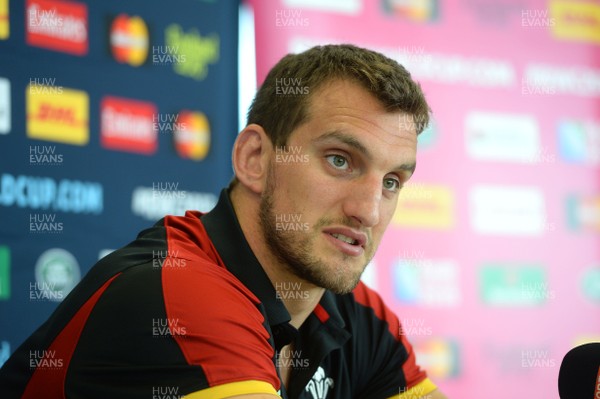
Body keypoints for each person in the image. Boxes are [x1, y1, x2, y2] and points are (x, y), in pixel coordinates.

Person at [0, 44, 448, 399]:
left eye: (391, 181)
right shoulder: (178, 294)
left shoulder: (358, 314)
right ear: (255, 159)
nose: (368, 211)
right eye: (339, 160)